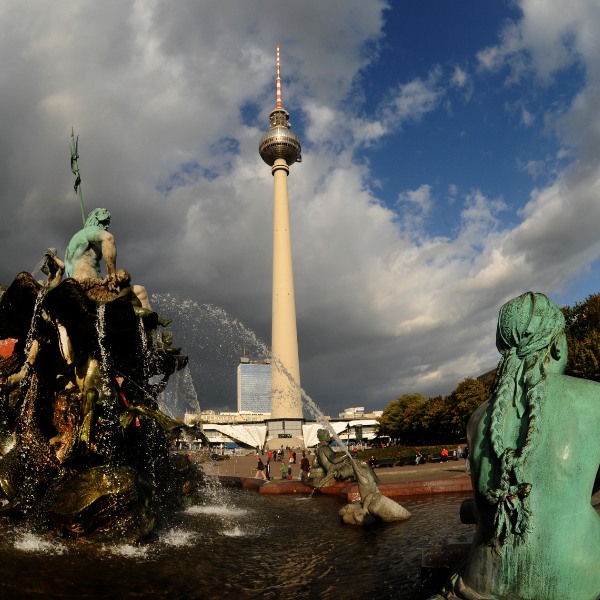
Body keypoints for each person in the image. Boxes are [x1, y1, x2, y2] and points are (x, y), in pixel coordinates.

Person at [442, 292, 600, 600]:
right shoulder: (595, 399)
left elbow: (483, 506)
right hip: (574, 583)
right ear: (557, 346)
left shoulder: (478, 418)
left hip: (480, 582)